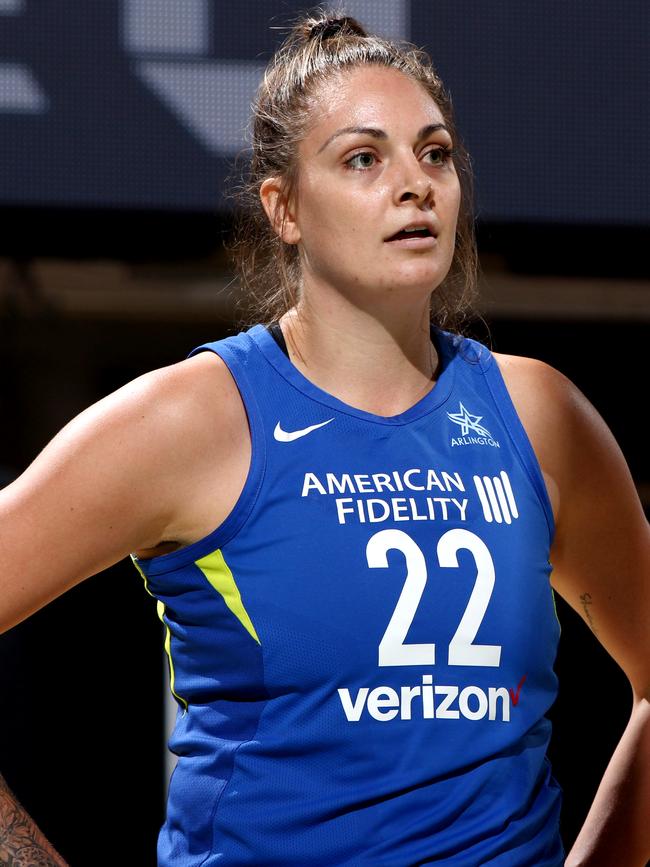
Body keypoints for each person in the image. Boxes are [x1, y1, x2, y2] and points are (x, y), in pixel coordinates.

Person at [1, 10, 649, 866]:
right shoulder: (195, 418)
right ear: (285, 209)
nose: (415, 184)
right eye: (363, 159)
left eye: (436, 152)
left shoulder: (539, 415)